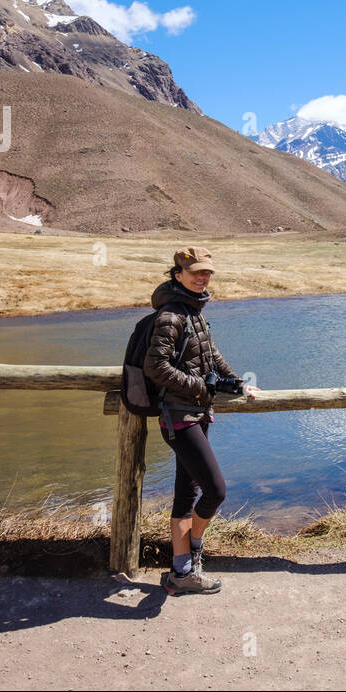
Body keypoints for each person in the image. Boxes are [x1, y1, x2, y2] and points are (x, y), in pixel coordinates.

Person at [144, 247, 260, 595]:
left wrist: (236, 383)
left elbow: (210, 356)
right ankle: (194, 549)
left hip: (195, 413)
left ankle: (181, 572)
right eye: (195, 272)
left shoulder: (195, 311)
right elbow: (156, 367)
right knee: (216, 490)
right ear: (177, 274)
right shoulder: (172, 315)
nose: (202, 277)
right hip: (179, 418)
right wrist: (200, 387)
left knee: (185, 494)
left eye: (207, 272)